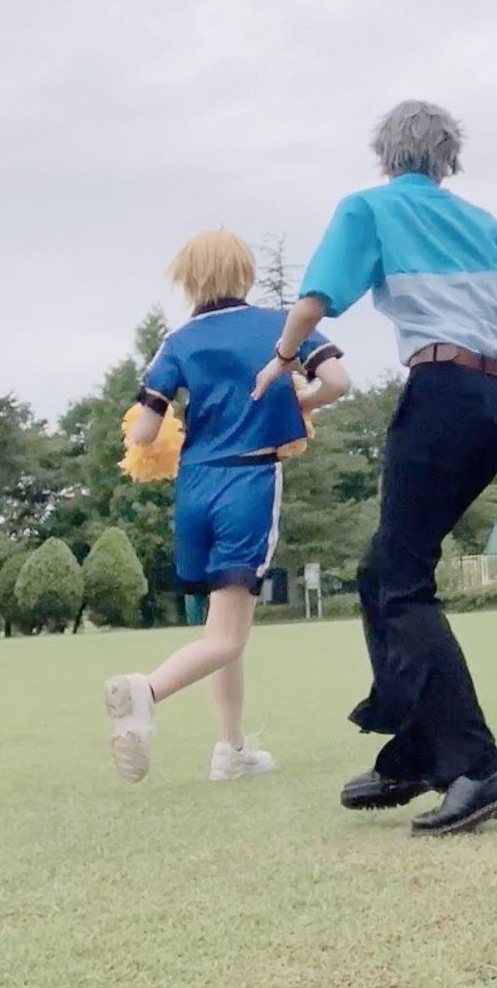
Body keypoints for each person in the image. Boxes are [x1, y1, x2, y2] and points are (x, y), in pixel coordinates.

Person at [254, 101, 497, 836]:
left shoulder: (369, 209)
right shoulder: (484, 223)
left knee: (401, 581)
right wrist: (491, 391)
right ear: (449, 157)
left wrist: (282, 361)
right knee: (383, 571)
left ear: (386, 154)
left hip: (439, 391)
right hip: (490, 401)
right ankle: (415, 751)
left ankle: (479, 767)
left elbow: (315, 302)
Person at [104, 229, 348, 784]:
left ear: (187, 278)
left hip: (194, 488)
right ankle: (146, 691)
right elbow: (337, 380)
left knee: (225, 626)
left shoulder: (178, 340)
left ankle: (231, 749)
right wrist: (300, 401)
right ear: (246, 272)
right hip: (248, 481)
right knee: (228, 637)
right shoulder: (280, 326)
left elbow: (144, 432)